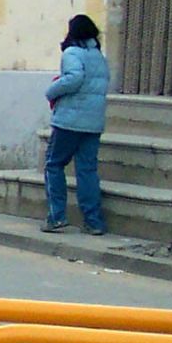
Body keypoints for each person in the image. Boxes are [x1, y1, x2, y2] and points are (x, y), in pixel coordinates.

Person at [44, 13, 110, 235]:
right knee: (87, 170)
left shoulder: (72, 53)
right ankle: (94, 221)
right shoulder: (99, 56)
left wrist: (51, 91)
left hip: (69, 121)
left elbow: (73, 78)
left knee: (54, 164)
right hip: (93, 121)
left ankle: (57, 216)